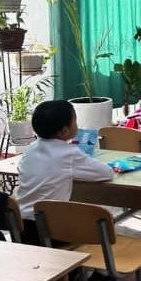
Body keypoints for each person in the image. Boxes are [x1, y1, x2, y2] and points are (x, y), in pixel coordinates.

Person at [17, 100, 114, 245]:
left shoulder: (30, 149)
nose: (77, 125)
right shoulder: (69, 153)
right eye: (75, 121)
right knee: (104, 224)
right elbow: (106, 173)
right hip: (51, 231)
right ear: (64, 131)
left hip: (21, 227)